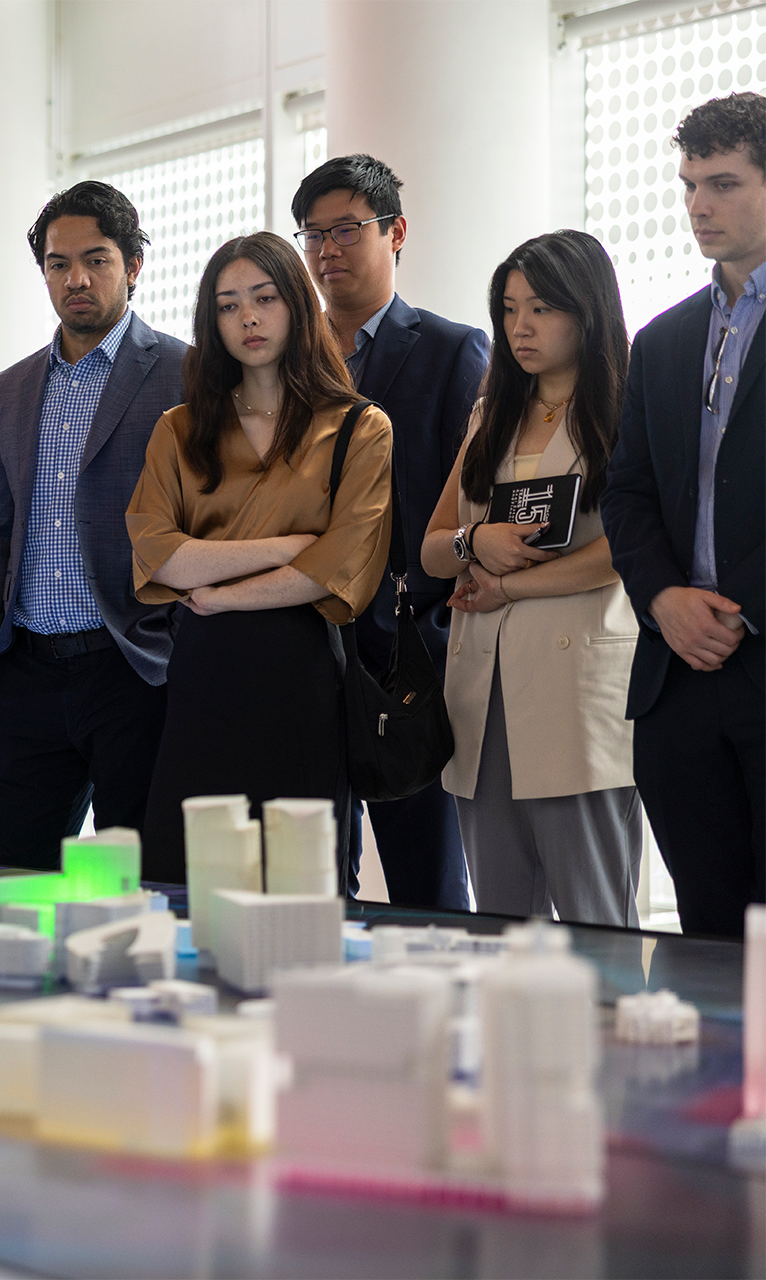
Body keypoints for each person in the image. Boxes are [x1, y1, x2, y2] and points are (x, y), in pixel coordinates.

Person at [128, 231, 392, 882]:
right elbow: (158, 554)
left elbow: (344, 567)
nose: (247, 317)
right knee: (186, 871)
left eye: (264, 298)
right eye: (227, 305)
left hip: (300, 672)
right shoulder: (179, 428)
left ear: (297, 305)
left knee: (298, 876)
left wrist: (220, 592)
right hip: (204, 672)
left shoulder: (360, 427)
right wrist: (287, 546)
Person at [0, 181, 187, 871]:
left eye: (96, 259)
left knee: (144, 886)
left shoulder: (187, 372)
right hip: (23, 673)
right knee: (15, 885)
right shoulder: (12, 387)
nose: (76, 279)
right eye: (58, 264)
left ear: (134, 266)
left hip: (133, 669)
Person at [420, 231, 642, 926]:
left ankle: (609, 1041)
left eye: (541, 308)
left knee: (596, 925)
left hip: (577, 695)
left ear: (588, 311)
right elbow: (431, 551)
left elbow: (627, 550)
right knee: (501, 929)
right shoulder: (492, 415)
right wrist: (474, 539)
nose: (520, 327)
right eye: (510, 308)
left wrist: (509, 585)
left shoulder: (628, 411)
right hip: (481, 694)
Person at [293, 153, 489, 907]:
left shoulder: (451, 349)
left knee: (426, 885)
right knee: (309, 883)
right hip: (304, 645)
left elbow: (466, 501)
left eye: (345, 229)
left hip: (405, 654)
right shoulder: (283, 355)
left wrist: (436, 621)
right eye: (312, 235)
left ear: (395, 231)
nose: (326, 251)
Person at [602, 92, 766, 940]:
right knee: (706, 936)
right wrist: (665, 598)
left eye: (725, 183)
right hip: (675, 681)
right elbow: (625, 492)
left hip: (759, 652)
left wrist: (738, 610)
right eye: (689, 184)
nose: (700, 205)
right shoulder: (661, 341)